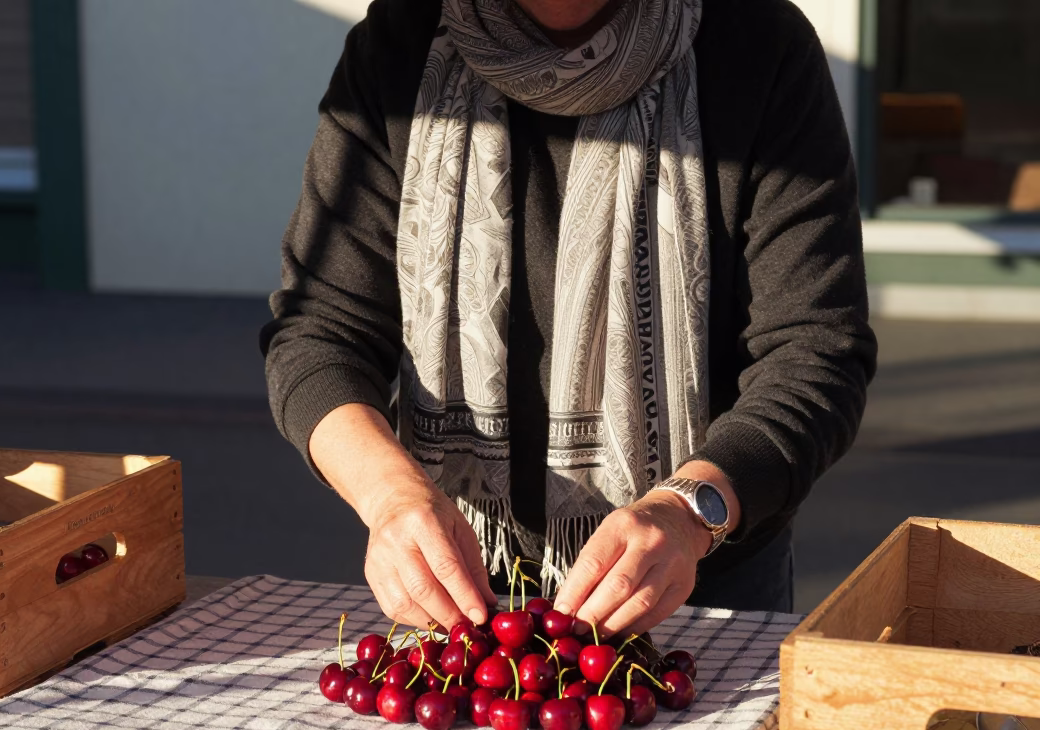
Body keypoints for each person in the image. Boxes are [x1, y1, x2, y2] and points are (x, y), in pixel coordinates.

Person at [260, 0, 876, 637]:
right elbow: (320, 334)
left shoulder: (758, 46)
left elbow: (815, 352)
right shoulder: (401, 43)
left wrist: (687, 513)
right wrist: (389, 495)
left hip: (695, 576)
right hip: (457, 590)